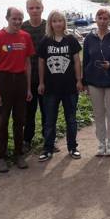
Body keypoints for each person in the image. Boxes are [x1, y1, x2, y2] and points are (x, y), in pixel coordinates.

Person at [0, 7, 35, 172]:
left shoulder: (25, 37)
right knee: (2, 122)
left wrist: (28, 88)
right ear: (7, 18)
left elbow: (28, 64)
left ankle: (18, 153)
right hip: (3, 80)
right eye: (14, 18)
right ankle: (1, 157)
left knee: (20, 120)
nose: (17, 22)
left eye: (20, 19)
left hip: (20, 81)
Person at [38, 10, 83, 162]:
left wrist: (79, 80)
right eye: (54, 21)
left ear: (64, 22)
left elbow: (77, 61)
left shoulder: (71, 40)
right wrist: (41, 82)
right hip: (51, 88)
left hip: (69, 87)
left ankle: (72, 147)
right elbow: (41, 62)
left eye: (60, 20)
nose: (57, 23)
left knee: (71, 119)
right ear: (50, 23)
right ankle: (48, 148)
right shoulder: (45, 41)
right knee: (50, 120)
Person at [83, 8, 110, 156]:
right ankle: (101, 142)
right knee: (98, 113)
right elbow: (85, 60)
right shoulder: (89, 38)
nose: (102, 21)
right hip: (94, 81)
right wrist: (84, 81)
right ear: (96, 19)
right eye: (100, 18)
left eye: (106, 18)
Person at [21, 0, 49, 153]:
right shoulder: (23, 27)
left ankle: (48, 139)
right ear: (27, 10)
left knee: (47, 110)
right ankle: (27, 140)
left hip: (47, 76)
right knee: (29, 112)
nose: (34, 10)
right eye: (31, 8)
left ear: (42, 8)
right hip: (28, 77)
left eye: (37, 7)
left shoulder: (48, 26)